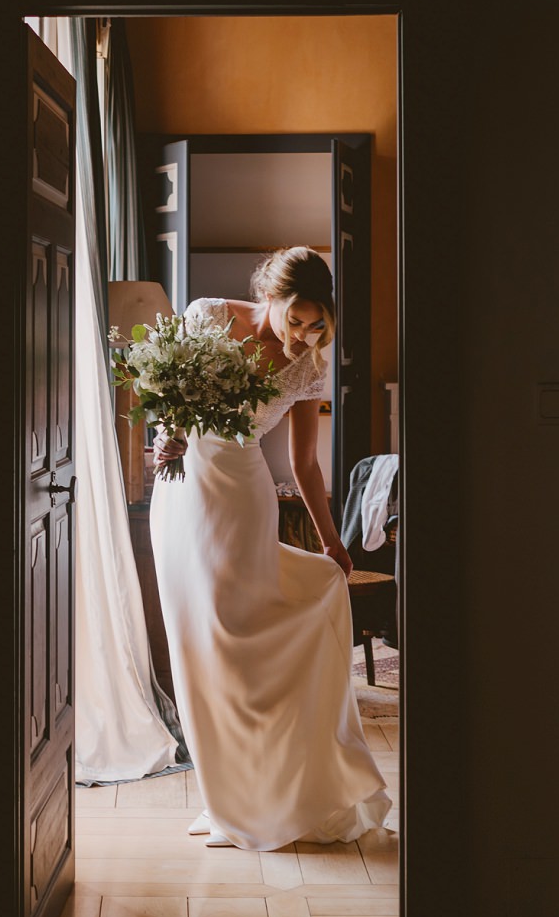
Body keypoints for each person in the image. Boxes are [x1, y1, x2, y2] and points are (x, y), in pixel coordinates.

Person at [149, 247, 392, 850]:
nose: (305, 335)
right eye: (297, 320)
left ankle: (263, 798)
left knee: (237, 641)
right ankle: (225, 799)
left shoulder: (308, 367)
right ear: (271, 298)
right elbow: (164, 399)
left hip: (239, 499)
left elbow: (304, 463)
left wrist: (333, 542)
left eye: (318, 325)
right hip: (180, 497)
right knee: (197, 642)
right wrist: (166, 439)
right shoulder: (207, 316)